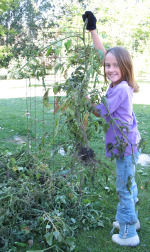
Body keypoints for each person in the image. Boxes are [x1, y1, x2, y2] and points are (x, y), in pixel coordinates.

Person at [82, 11, 141, 247]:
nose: (109, 69)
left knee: (123, 189)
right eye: (108, 65)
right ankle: (132, 220)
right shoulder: (119, 84)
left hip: (124, 147)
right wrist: (93, 30)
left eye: (115, 65)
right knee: (130, 183)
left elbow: (99, 111)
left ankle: (128, 233)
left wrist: (85, 99)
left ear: (125, 67)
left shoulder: (120, 90)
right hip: (128, 145)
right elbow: (102, 54)